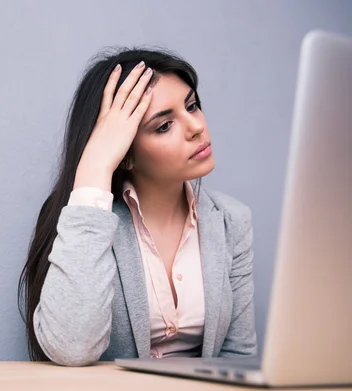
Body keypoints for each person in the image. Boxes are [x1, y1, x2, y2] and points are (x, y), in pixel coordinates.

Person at [18, 48, 257, 367]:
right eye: (164, 126)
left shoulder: (231, 220)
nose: (196, 127)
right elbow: (71, 349)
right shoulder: (86, 217)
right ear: (124, 154)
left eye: (192, 106)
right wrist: (96, 165)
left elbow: (239, 358)